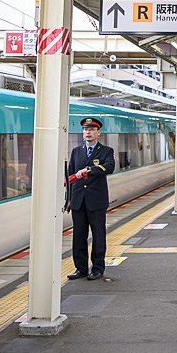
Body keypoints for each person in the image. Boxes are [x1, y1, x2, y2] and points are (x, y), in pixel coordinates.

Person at [65, 117, 115, 281]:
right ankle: (81, 268)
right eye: (86, 130)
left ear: (98, 132)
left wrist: (89, 169)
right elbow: (70, 175)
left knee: (98, 235)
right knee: (78, 235)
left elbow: (109, 167)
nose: (88, 132)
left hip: (96, 200)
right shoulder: (76, 151)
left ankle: (98, 268)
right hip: (78, 200)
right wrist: (69, 200)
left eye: (92, 129)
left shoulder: (106, 151)